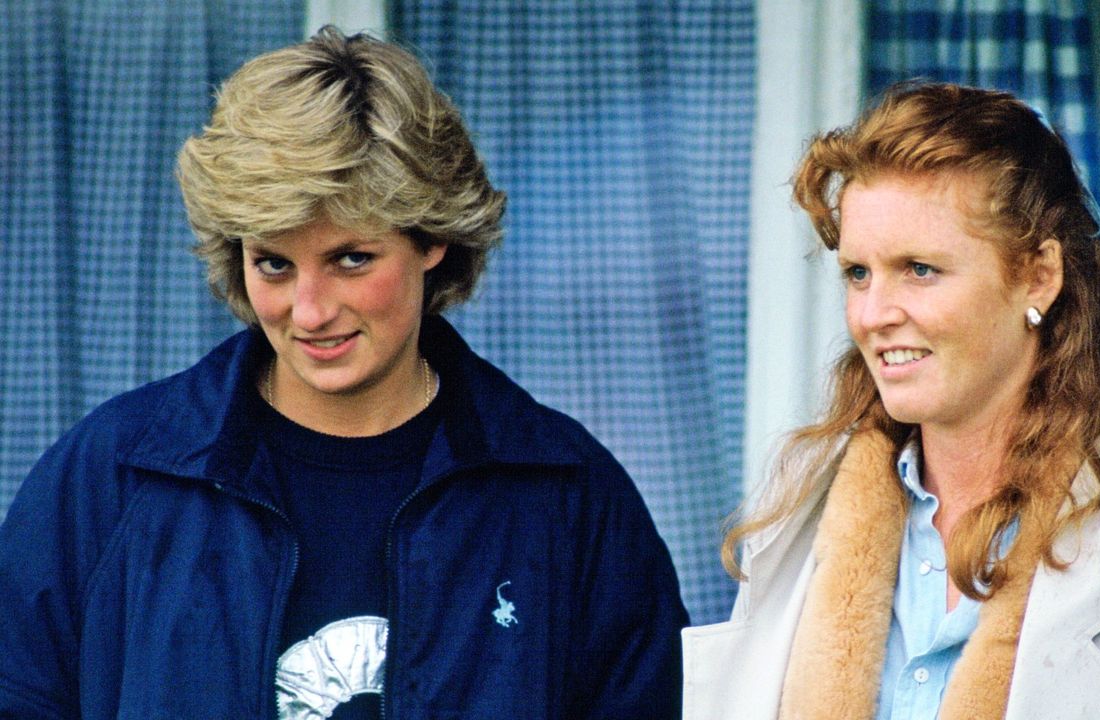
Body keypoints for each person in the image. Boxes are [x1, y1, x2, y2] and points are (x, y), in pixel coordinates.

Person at [0, 27, 687, 719]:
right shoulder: (111, 479)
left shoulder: (566, 497)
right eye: (274, 262)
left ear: (433, 239)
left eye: (351, 259)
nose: (309, 310)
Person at [681, 82, 1100, 720]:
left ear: (1039, 276)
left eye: (920, 269)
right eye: (858, 273)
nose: (875, 314)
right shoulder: (800, 518)